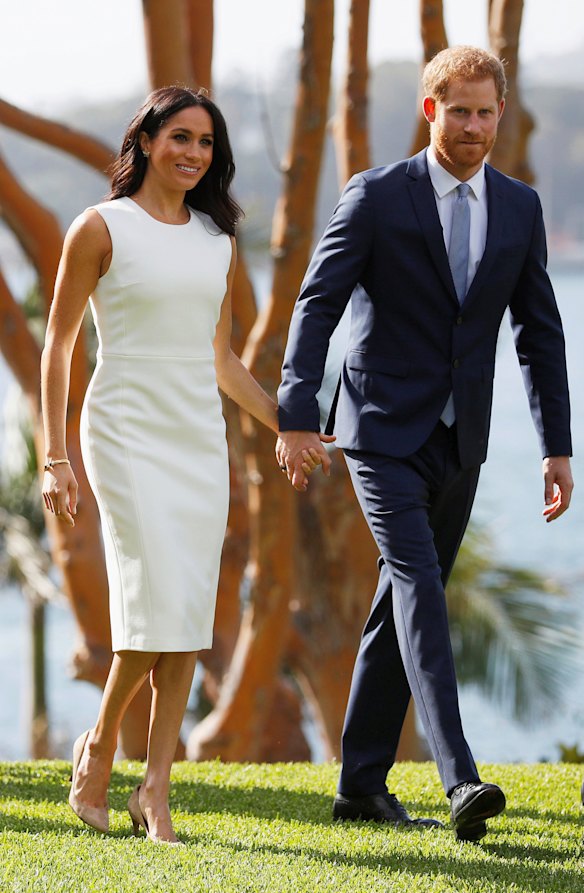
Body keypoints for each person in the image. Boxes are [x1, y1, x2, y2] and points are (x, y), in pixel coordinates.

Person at [276, 46, 573, 841]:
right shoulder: (375, 196)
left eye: (486, 112)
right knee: (420, 587)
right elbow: (317, 303)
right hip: (376, 428)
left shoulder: (519, 208)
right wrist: (297, 413)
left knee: (396, 605)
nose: (474, 126)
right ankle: (460, 776)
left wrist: (556, 445)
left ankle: (360, 785)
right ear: (430, 108)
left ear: (499, 114)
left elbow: (539, 335)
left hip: (462, 437)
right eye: (460, 110)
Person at [41, 86, 321, 844]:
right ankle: (100, 745)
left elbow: (223, 361)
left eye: (206, 142)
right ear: (147, 140)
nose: (193, 153)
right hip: (123, 430)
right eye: (181, 137)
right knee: (155, 602)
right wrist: (53, 454)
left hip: (198, 436)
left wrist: (289, 425)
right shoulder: (99, 228)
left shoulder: (216, 241)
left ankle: (156, 788)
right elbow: (59, 344)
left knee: (188, 615)